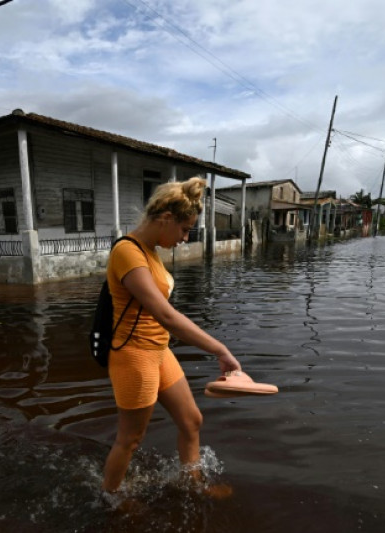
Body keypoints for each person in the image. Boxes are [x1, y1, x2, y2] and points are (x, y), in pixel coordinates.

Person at [102, 176, 241, 497]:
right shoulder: (128, 251)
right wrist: (220, 349)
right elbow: (164, 314)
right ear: (165, 219)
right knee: (130, 439)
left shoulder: (150, 251)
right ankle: (111, 498)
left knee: (191, 421)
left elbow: (161, 318)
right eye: (184, 229)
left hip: (159, 350)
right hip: (134, 356)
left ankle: (192, 484)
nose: (186, 237)